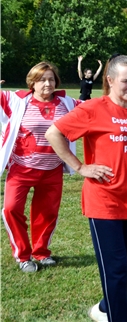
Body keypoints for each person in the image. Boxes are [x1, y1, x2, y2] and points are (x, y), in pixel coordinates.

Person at [45, 55, 127, 321]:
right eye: (126, 81)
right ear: (110, 80)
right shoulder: (94, 108)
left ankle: (106, 307)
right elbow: (54, 133)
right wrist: (81, 167)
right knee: (116, 268)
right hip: (104, 200)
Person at [1, 62, 79, 273]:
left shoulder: (68, 103)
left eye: (51, 79)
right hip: (21, 168)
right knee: (11, 209)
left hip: (52, 170)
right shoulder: (17, 100)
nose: (47, 83)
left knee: (46, 214)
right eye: (42, 79)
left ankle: (41, 252)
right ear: (32, 83)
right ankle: (23, 255)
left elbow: (94, 110)